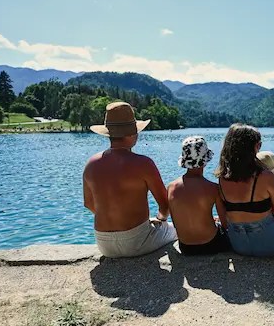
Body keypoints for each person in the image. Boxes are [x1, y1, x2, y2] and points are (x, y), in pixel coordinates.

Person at [83, 101, 177, 258]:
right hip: (137, 241)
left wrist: (114, 220)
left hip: (104, 243)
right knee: (177, 230)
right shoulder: (144, 163)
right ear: (133, 133)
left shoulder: (91, 163)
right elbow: (164, 205)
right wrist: (160, 220)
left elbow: (89, 204)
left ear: (109, 133)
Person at [215, 124, 274, 257]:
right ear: (254, 147)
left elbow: (225, 223)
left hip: (239, 246)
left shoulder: (222, 178)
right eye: (259, 144)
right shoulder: (265, 177)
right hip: (272, 246)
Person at [167, 136, 231, 255]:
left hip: (185, 246)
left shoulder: (171, 187)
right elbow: (225, 223)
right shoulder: (213, 188)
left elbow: (176, 221)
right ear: (205, 161)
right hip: (211, 243)